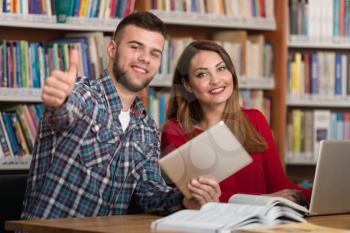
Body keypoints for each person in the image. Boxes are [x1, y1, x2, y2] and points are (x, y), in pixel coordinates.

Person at [21, 12, 220, 219]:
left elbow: (149, 194)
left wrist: (185, 199)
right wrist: (58, 100)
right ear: (112, 50)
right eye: (135, 47)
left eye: (154, 53)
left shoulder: (147, 128)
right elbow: (63, 113)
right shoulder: (83, 95)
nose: (144, 58)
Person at [161, 40, 311, 205]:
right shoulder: (175, 131)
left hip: (264, 226)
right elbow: (193, 199)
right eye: (202, 74)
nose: (216, 80)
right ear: (187, 85)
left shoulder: (255, 120)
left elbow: (280, 186)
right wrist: (261, 200)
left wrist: (327, 196)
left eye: (221, 69)